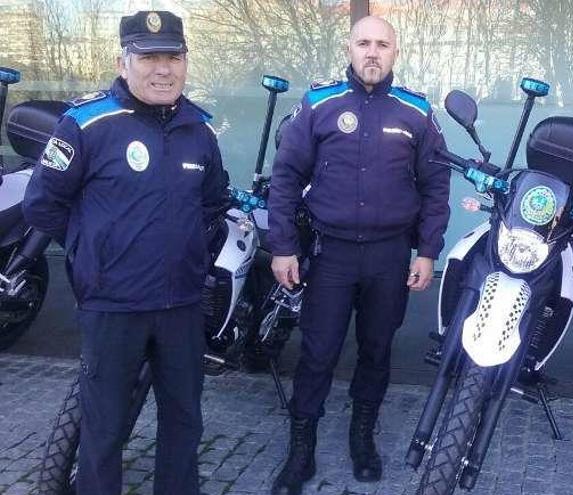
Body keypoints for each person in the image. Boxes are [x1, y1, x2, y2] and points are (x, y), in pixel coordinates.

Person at [22, 11, 228, 495]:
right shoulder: (86, 123)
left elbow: (214, 202)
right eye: (149, 56)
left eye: (173, 57)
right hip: (113, 306)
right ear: (123, 60)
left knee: (184, 423)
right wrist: (93, 253)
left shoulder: (199, 130)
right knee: (104, 430)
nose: (163, 69)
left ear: (185, 61)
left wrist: (189, 253)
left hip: (181, 305)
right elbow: (43, 205)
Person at [267, 15, 450, 495]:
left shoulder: (416, 111)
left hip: (390, 257)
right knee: (317, 353)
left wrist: (427, 251)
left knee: (376, 351)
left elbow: (436, 186)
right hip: (331, 255)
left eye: (382, 45)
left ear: (395, 52)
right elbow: (285, 177)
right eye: (363, 43)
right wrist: (283, 245)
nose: (373, 52)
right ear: (348, 48)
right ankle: (301, 447)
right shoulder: (318, 104)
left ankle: (362, 436)